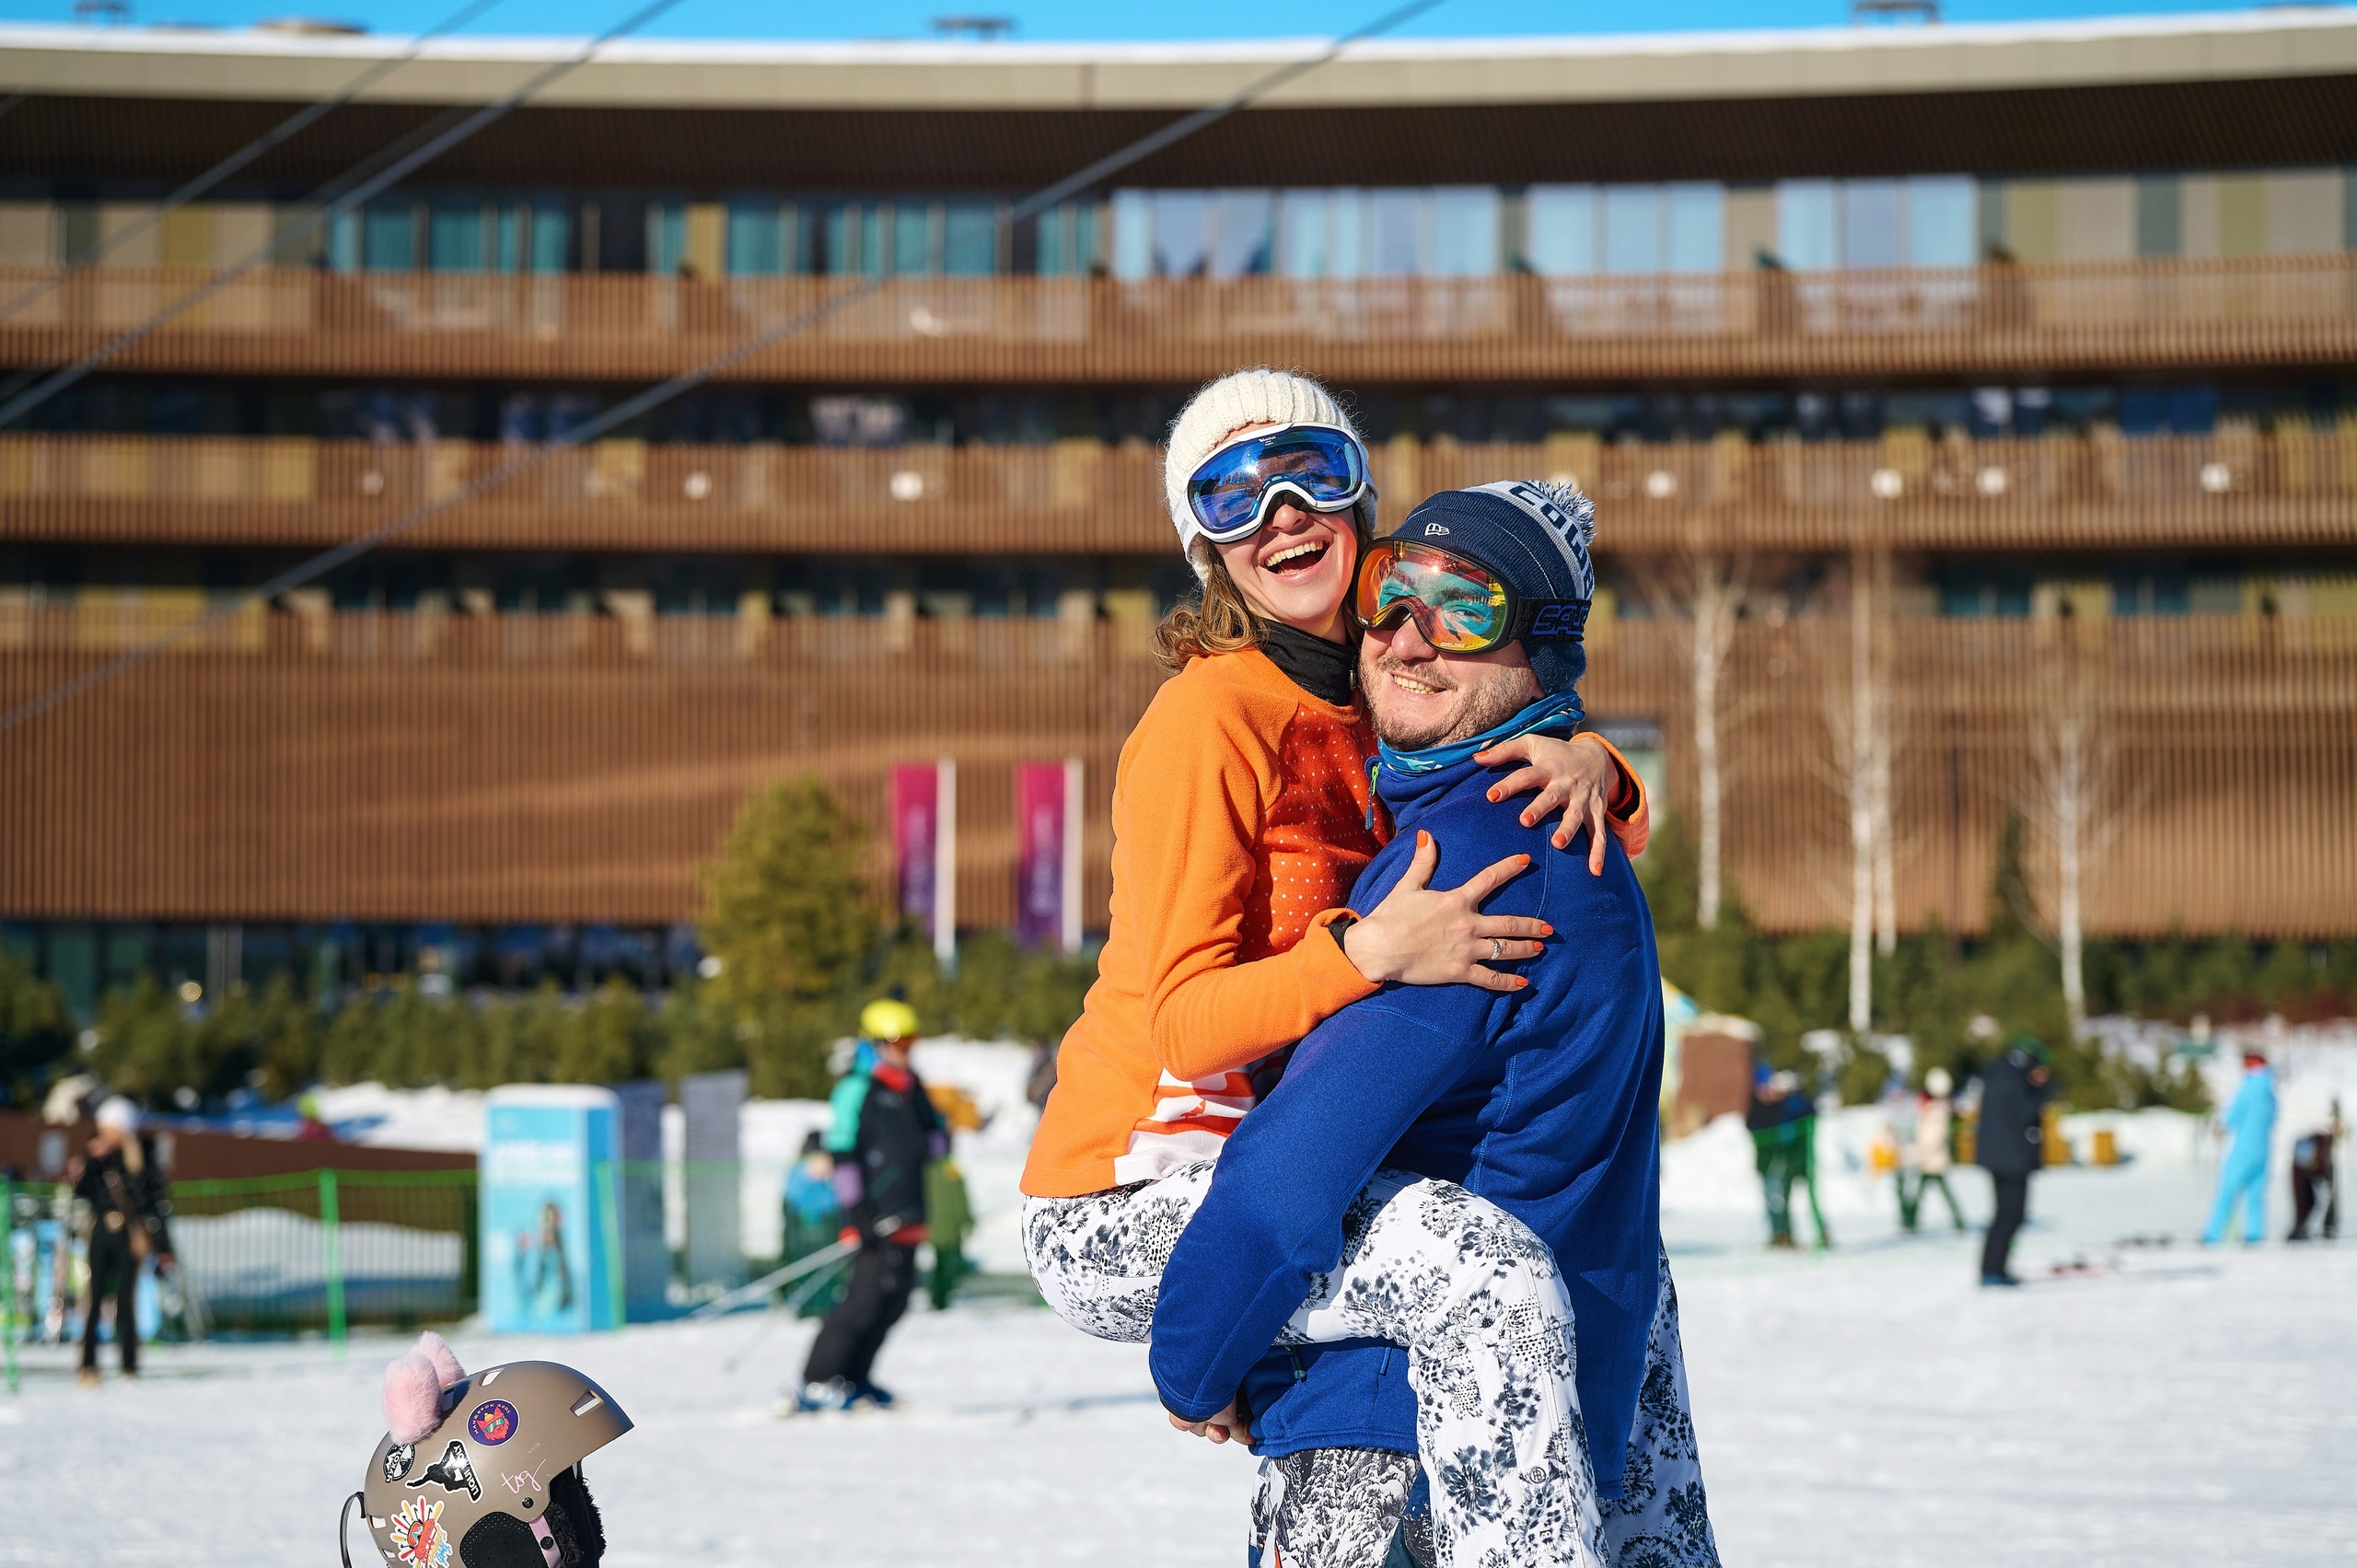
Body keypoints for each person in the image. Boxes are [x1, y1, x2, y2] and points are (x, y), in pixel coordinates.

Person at [1020, 372, 1651, 1564]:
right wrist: (1363, 952)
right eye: (1231, 493)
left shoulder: (1376, 680)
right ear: (1204, 546)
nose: (1282, 512)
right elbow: (1185, 1026)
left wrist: (1590, 758)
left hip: (1293, 1163)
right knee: (1479, 1267)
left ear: (1362, 499)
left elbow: (1503, 754)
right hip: (1134, 1188)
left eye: (1311, 469)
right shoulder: (1208, 719)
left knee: (1592, 1276)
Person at [1146, 480, 1717, 1568]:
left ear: (1541, 649)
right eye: (1389, 594)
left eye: (1465, 610)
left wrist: (1193, 1362)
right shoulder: (1544, 829)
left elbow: (1288, 1173)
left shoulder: (1474, 864)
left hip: (1402, 1439)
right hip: (1524, 1428)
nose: (1408, 638)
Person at [796, 997, 946, 1411]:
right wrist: (855, 1212)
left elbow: (936, 1141)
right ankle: (817, 1380)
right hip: (873, 1217)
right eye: (899, 1042)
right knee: (863, 1303)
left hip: (908, 1212)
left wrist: (939, 1135)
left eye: (912, 1042)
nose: (907, 1050)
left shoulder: (911, 1088)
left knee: (893, 1304)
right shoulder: (857, 1089)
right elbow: (843, 1153)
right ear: (876, 1043)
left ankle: (854, 1378)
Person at [69, 1095, 172, 1385]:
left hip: (129, 1235)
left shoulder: (141, 1156)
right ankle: (88, 1364)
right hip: (101, 1232)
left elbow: (155, 1202)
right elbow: (83, 1193)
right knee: (95, 1297)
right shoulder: (97, 1158)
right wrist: (92, 1161)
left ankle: (129, 1364)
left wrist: (164, 1246)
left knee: (126, 1299)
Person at [1975, 1037, 2051, 1285]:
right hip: (2012, 1160)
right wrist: (2041, 1088)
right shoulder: (2015, 1082)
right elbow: (2027, 1112)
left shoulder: (1996, 1075)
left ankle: (1994, 1268)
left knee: (2003, 1215)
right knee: (2010, 1216)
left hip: (1998, 1157)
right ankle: (1993, 1270)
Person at [2203, 1048, 2277, 1247]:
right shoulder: (2270, 1088)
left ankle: (2213, 1235)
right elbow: (2273, 1118)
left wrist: (2221, 1126)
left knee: (2227, 1191)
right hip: (2263, 1148)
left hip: (2243, 1147)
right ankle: (2255, 1235)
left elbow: (2233, 1115)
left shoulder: (2250, 1087)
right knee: (2255, 1195)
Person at [1747, 1066, 1827, 1250]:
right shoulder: (1768, 1106)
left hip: (1799, 1159)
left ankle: (1819, 1233)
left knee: (1806, 1198)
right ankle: (1783, 1235)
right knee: (1780, 1200)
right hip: (1780, 1162)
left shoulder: (1795, 1104)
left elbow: (1809, 1117)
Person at [1898, 1066, 1966, 1234]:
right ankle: (1915, 1222)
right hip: (1929, 1158)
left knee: (1931, 1191)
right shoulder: (1933, 1111)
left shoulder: (1936, 1112)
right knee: (1926, 1192)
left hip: (1932, 1159)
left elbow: (1933, 1139)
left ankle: (1913, 1223)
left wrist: (1917, 1154)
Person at [2287, 1098, 2340, 1242]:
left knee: (2325, 1195)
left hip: (2315, 1157)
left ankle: (2326, 1226)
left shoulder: (2323, 1148)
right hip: (2307, 1157)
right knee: (2306, 1198)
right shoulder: (2309, 1151)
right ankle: (2302, 1227)